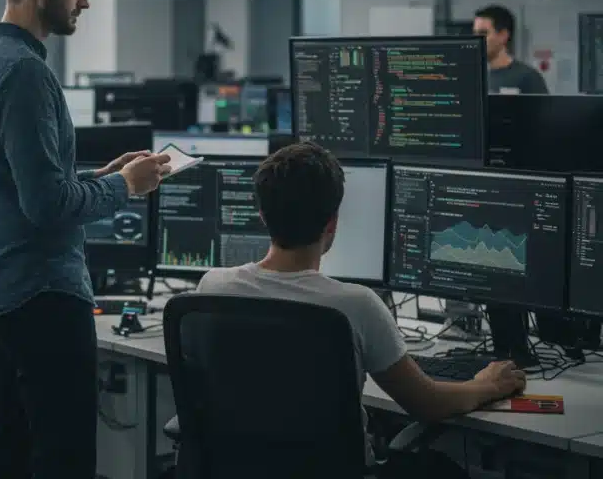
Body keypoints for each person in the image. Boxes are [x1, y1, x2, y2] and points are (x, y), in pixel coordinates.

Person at [0, 0, 171, 479]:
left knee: (14, 447)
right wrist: (128, 185)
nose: (86, 0)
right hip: (44, 293)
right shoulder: (24, 73)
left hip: (4, 288)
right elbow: (46, 206)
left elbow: (24, 181)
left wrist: (99, 175)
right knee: (64, 457)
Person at [195, 141, 527, 476]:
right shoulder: (355, 305)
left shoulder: (213, 287)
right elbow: (428, 403)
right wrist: (489, 385)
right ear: (332, 223)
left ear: (262, 215)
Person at [474, 4, 549, 94]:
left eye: (483, 33)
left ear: (503, 35)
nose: (477, 39)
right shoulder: (474, 77)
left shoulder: (528, 77)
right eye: (475, 33)